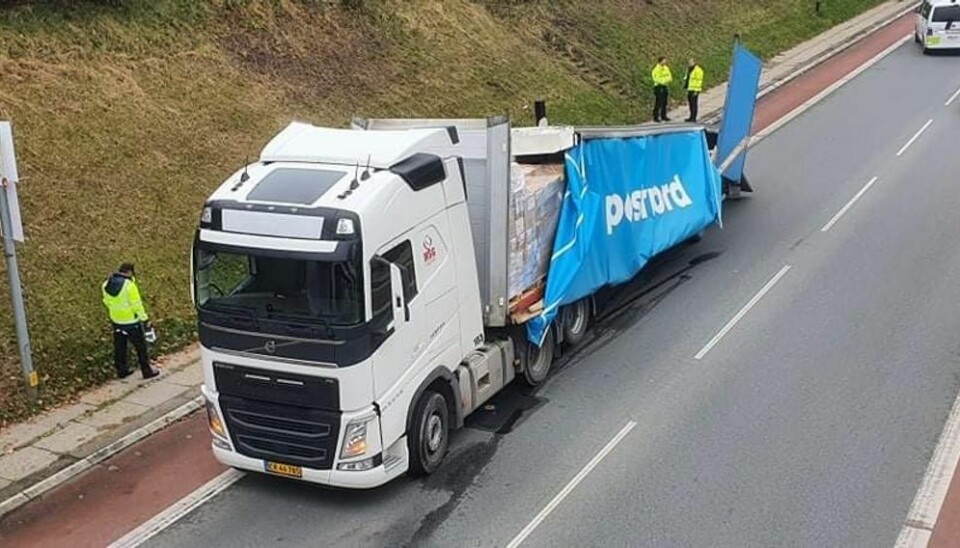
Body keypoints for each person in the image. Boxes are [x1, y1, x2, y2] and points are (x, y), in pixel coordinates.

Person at [102, 263, 159, 379]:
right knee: (141, 348)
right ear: (129, 272)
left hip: (117, 320)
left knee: (120, 346)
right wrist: (145, 319)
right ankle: (146, 371)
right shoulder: (129, 286)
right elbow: (137, 305)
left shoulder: (106, 284)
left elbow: (106, 301)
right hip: (131, 322)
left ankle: (122, 370)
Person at [651, 56, 673, 122]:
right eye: (664, 60)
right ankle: (656, 117)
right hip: (658, 87)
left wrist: (665, 80)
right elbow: (656, 79)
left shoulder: (666, 68)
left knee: (664, 102)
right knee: (658, 102)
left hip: (665, 86)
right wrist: (664, 81)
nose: (665, 62)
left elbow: (670, 77)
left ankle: (664, 116)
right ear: (660, 61)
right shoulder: (656, 69)